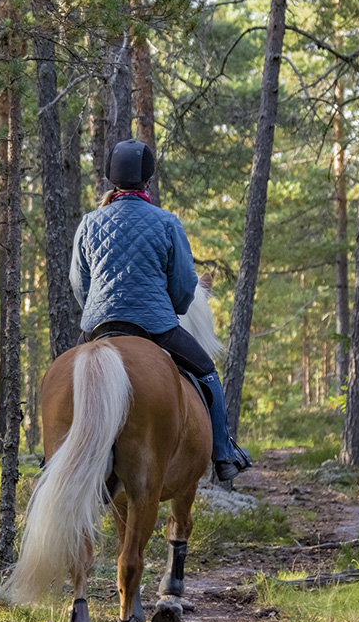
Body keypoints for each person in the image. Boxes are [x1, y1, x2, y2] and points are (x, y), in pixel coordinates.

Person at [70, 138, 252, 482]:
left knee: (64, 376)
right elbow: (184, 286)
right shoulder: (167, 222)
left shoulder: (89, 222)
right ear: (147, 181)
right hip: (154, 326)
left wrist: (96, 314)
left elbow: (80, 283)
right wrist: (174, 309)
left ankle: (56, 456)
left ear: (113, 181)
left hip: (98, 325)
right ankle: (225, 455)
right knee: (208, 373)